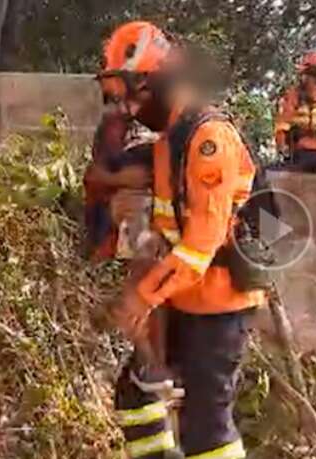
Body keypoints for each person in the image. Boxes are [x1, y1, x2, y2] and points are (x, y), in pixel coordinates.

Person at [94, 21, 267, 459]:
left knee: (206, 428)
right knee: (136, 395)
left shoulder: (209, 139)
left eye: (136, 94)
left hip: (220, 303)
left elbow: (197, 250)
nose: (130, 108)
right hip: (183, 296)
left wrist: (143, 299)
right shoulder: (167, 141)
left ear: (163, 80)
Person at [274, 51, 316, 173]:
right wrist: (282, 148)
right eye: (313, 74)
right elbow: (282, 126)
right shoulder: (294, 96)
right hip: (299, 153)